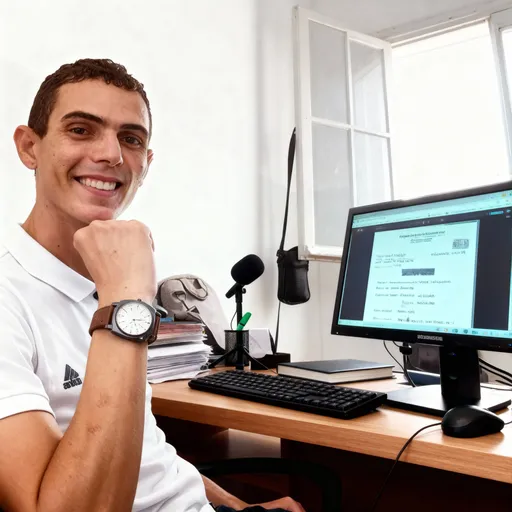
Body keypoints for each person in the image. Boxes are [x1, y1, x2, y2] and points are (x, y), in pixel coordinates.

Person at [0, 58, 305, 512]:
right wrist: (125, 299)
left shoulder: (106, 283)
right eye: (81, 130)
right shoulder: (18, 296)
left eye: (131, 139)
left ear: (147, 163)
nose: (112, 154)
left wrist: (239, 507)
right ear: (29, 147)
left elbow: (146, 455)